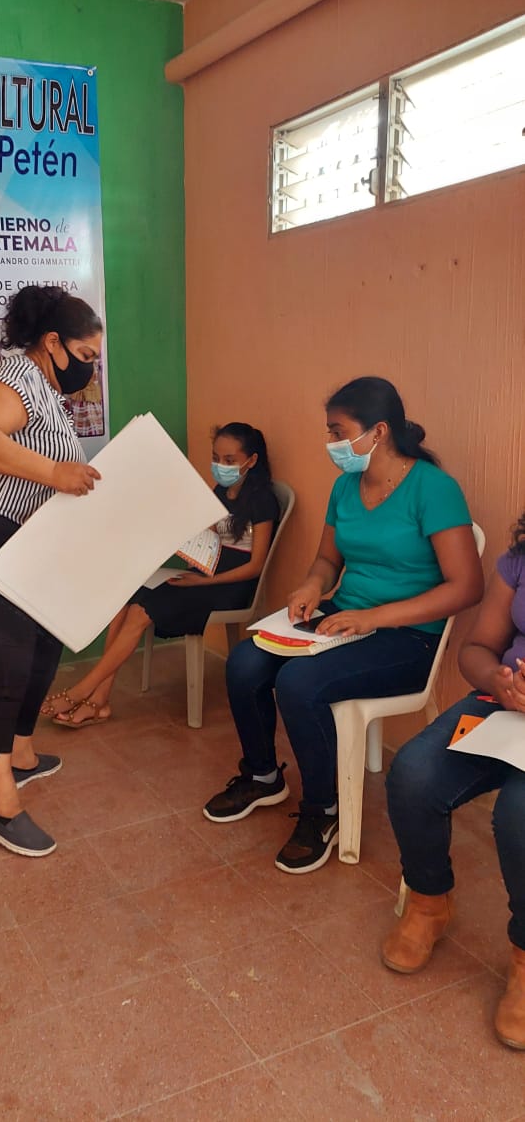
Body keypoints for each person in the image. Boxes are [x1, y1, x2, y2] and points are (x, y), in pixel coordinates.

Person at [204, 377, 483, 874]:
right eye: (329, 431)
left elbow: (465, 587)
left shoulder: (433, 489)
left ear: (378, 431)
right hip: (345, 617)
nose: (331, 443)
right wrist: (312, 586)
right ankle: (264, 775)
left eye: (338, 431)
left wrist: (373, 617)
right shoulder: (346, 487)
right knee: (246, 662)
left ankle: (322, 810)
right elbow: (326, 562)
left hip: (409, 637)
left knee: (298, 682)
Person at [0, 285, 102, 858]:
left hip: (26, 543)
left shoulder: (49, 396)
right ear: (52, 343)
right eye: (84, 357)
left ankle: (24, 755)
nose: (90, 369)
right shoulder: (16, 376)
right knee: (6, 668)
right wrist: (57, 473)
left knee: (46, 645)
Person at [382, 510, 525, 1049]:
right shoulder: (519, 561)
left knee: (519, 813)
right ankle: (428, 902)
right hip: (504, 706)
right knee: (415, 771)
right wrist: (500, 681)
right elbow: (476, 648)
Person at [44, 422, 279, 728]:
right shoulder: (220, 491)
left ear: (252, 460)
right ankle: (99, 700)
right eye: (216, 458)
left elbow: (255, 566)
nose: (221, 466)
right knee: (128, 598)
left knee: (143, 610)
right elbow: (207, 541)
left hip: (230, 586)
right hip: (203, 575)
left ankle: (85, 690)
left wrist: (205, 581)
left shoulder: (263, 502)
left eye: (230, 460)